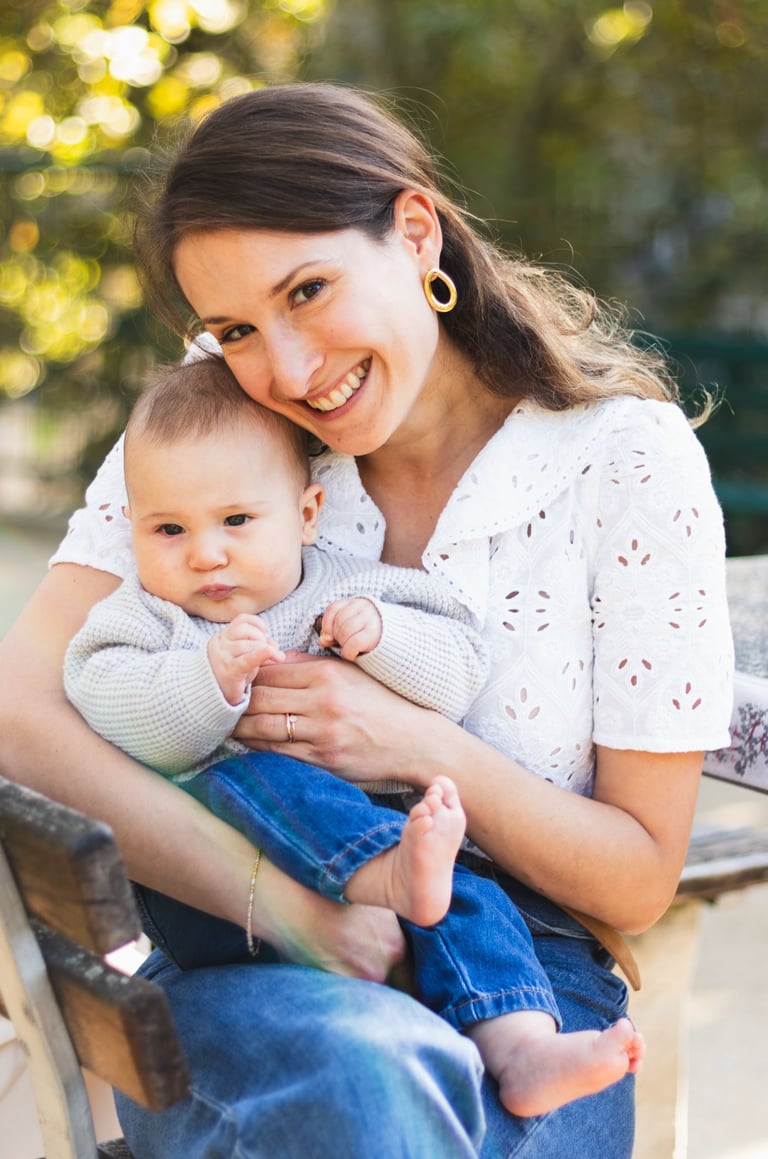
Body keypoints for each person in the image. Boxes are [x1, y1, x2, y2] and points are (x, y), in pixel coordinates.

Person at [0, 81, 733, 1158]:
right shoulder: (217, 419)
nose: (287, 370)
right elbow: (21, 709)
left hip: (525, 983)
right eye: (238, 326)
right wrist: (290, 908)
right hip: (247, 957)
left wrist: (414, 742)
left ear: (415, 230)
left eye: (308, 290)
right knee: (369, 1075)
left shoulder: (624, 462)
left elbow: (637, 872)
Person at [64, 356, 644, 1119]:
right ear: (131, 527)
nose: (205, 553)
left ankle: (523, 1044)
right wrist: (206, 682)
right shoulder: (150, 619)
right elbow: (103, 694)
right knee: (263, 780)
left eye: (237, 521)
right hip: (224, 896)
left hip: (397, 887)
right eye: (169, 529)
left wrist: (385, 639)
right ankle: (388, 878)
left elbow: (461, 663)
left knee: (469, 896)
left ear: (306, 514)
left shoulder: (345, 586)